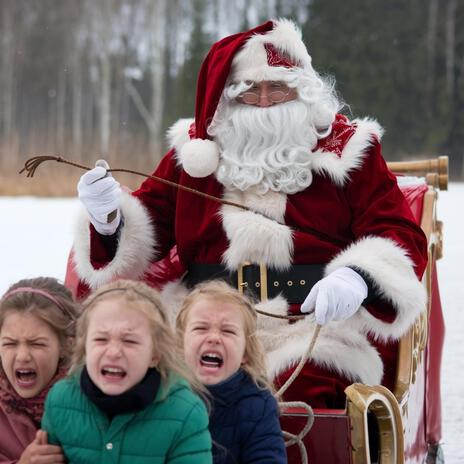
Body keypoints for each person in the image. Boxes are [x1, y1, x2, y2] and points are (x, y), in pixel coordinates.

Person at [72, 19, 428, 408]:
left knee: (302, 394)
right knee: (147, 386)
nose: (263, 102)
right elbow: (151, 220)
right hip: (199, 320)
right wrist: (109, 217)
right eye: (249, 91)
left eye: (277, 89)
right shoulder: (195, 156)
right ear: (226, 99)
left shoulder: (348, 153)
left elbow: (397, 229)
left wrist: (358, 278)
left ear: (303, 91)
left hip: (310, 326)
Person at [41, 279, 212, 463]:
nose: (114, 352)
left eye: (129, 341)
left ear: (155, 355)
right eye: (101, 339)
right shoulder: (61, 400)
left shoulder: (185, 412)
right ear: (84, 347)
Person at [176, 280, 287, 464]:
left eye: (227, 331)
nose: (213, 338)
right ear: (180, 343)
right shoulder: (161, 396)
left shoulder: (258, 405)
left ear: (245, 352)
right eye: (201, 328)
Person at [0, 277, 79, 464]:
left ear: (65, 346)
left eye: (36, 344)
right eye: (10, 344)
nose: (22, 356)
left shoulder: (92, 402)